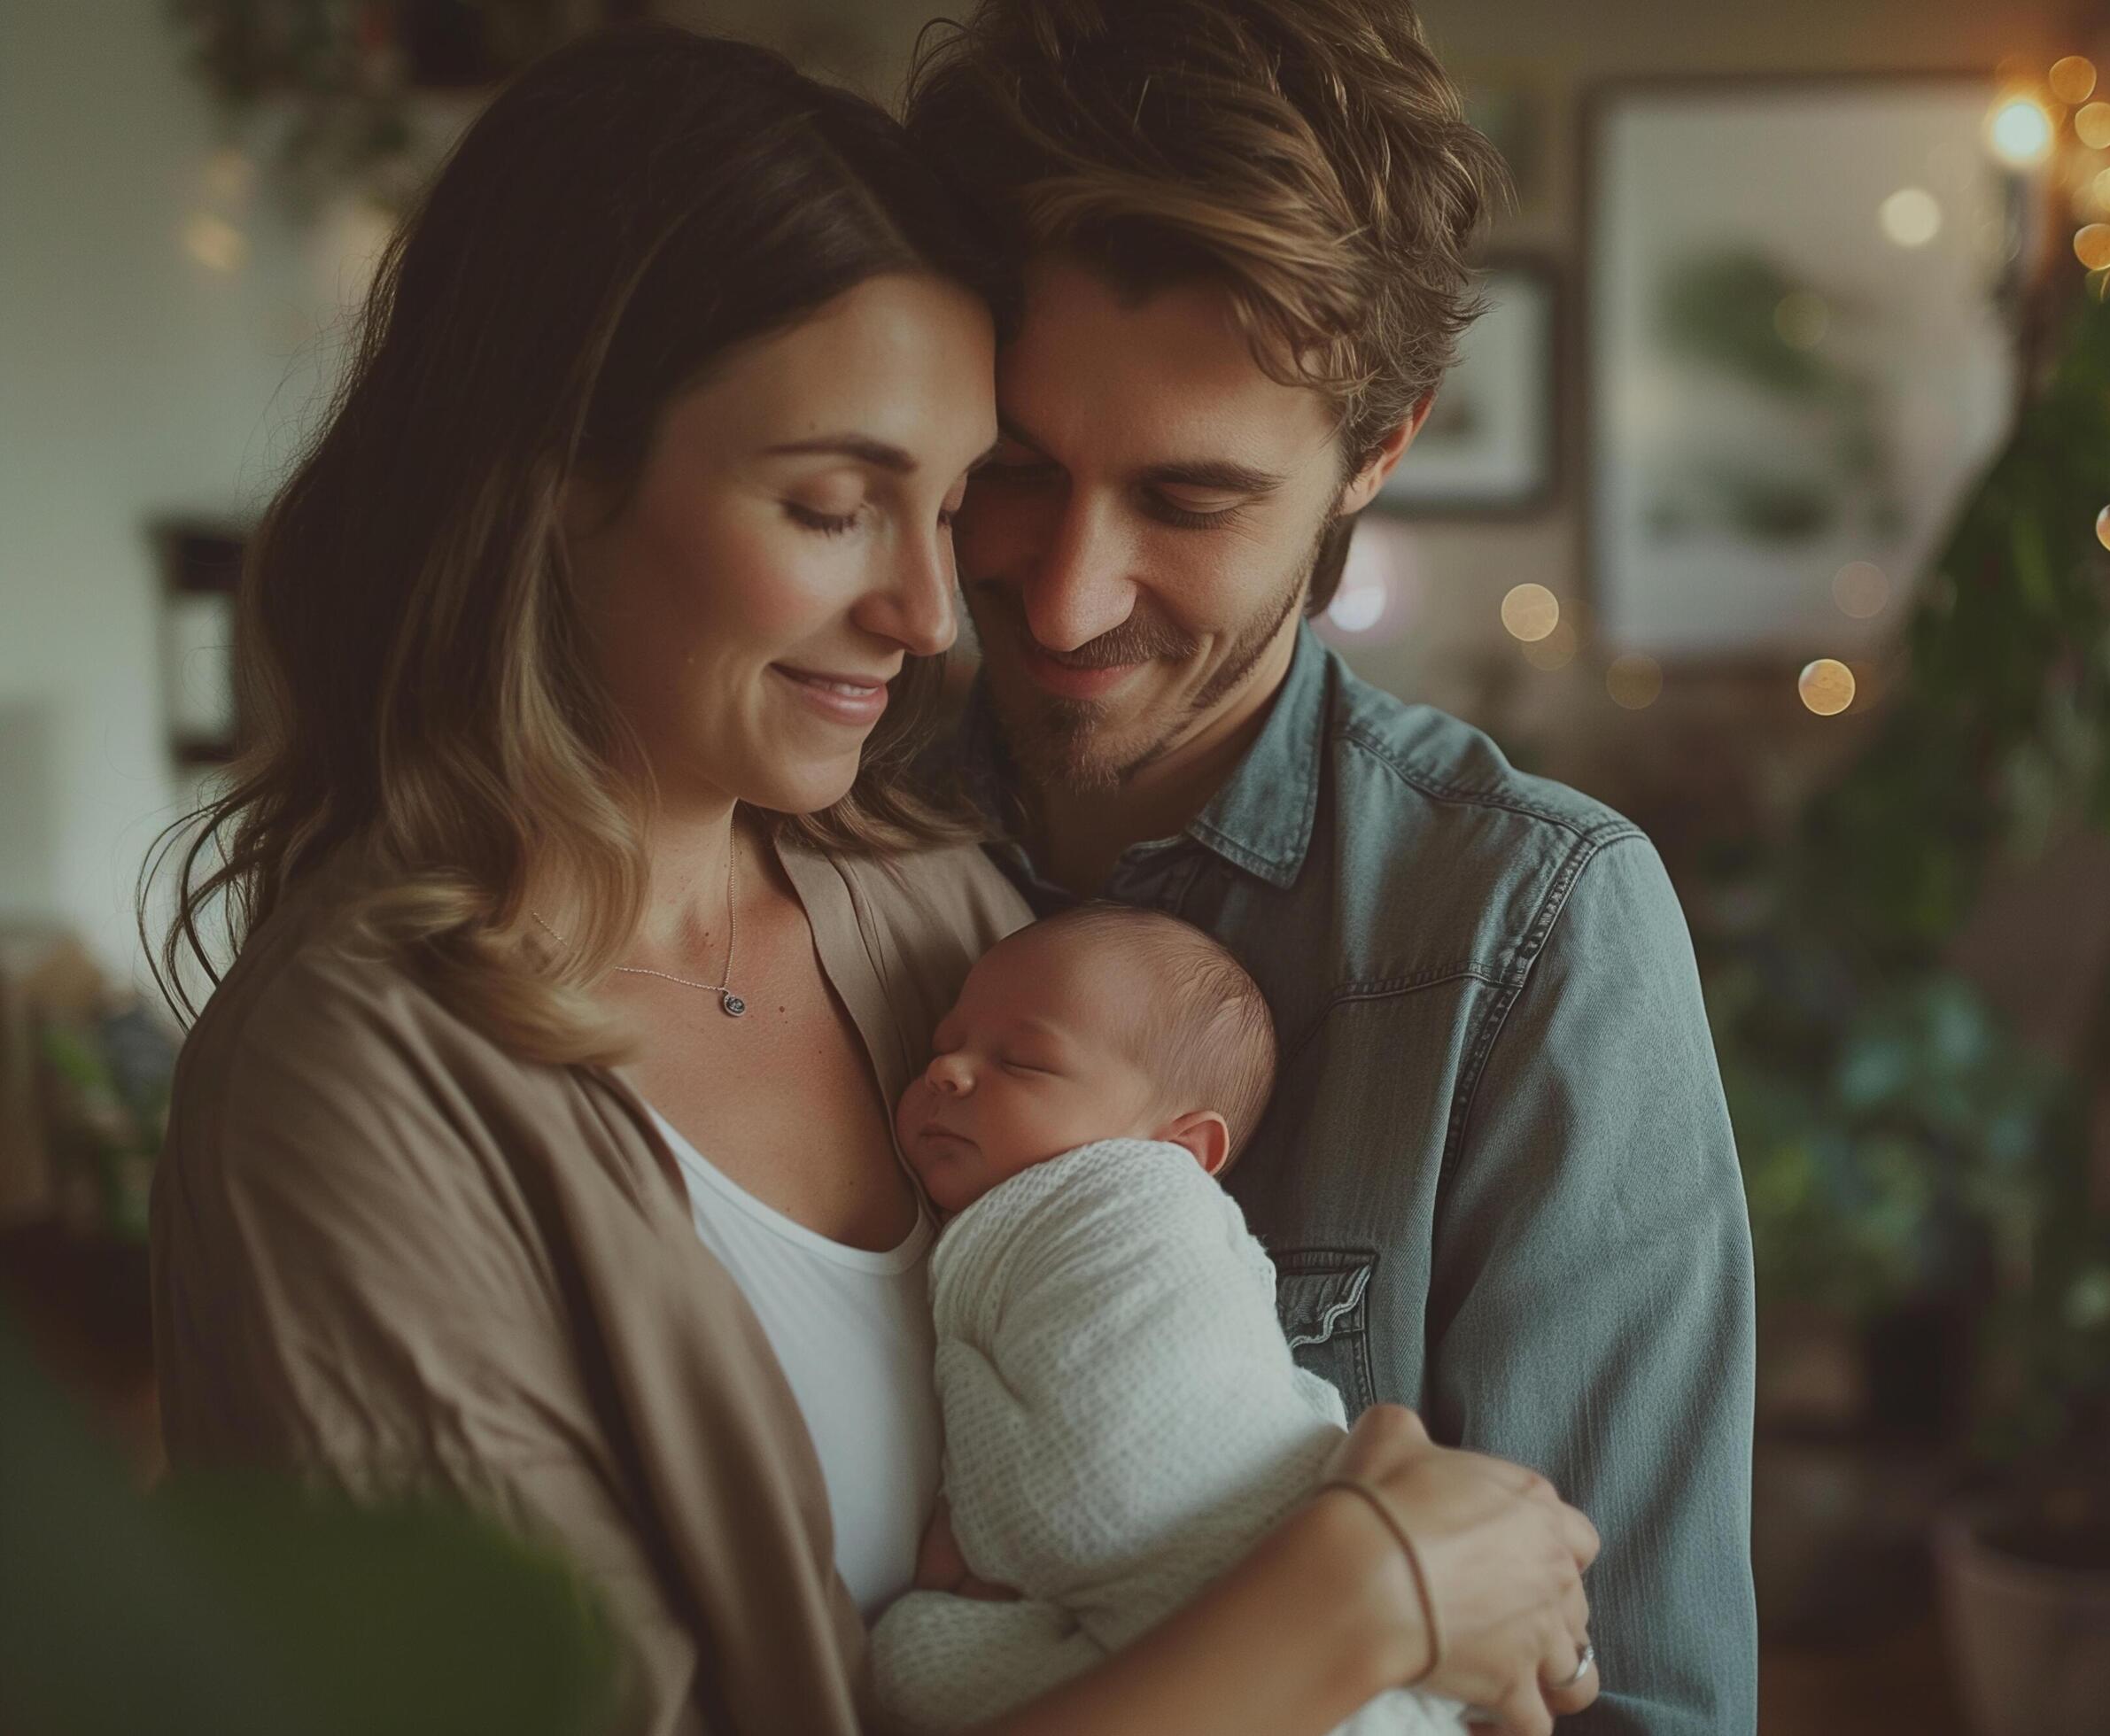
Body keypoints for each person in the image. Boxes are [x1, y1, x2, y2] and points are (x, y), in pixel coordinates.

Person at [146, 26, 1598, 1736]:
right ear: (556, 486)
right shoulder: (351, 1100)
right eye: (836, 506)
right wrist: (1357, 1601)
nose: (937, 616)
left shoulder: (928, 902)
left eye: (946, 500)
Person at [904, 5, 1758, 1731]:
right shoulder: (801, 833)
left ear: (1380, 446)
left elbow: (1635, 1708)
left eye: (1192, 499)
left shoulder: (1529, 934)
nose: (1066, 598)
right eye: (1011, 468)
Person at [869, 905, 1462, 1734]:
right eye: (943, 1045)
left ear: (1181, 1150)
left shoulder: (1137, 1207)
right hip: (1251, 1651)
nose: (949, 1072)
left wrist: (975, 1513)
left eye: (1024, 1061)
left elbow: (1099, 1485)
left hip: (1223, 1544)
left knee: (910, 1657)